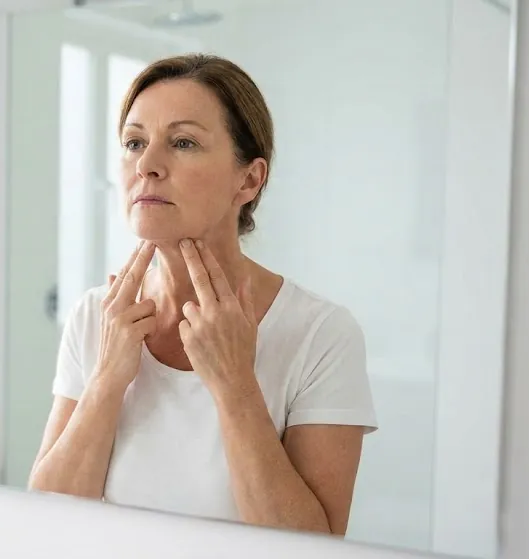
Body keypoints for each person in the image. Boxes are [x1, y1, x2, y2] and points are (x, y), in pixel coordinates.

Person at [28, 54, 378, 536]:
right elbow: (41, 524)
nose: (147, 166)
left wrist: (236, 387)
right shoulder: (97, 317)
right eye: (134, 142)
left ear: (250, 179)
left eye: (183, 142)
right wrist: (107, 380)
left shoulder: (321, 335)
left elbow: (314, 547)